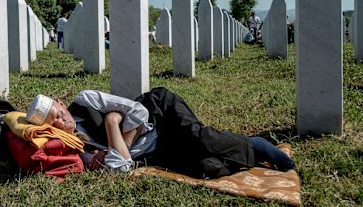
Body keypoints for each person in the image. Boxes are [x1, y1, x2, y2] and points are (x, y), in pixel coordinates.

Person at [26, 87, 294, 178]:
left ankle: (254, 144)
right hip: (155, 149)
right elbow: (121, 168)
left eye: (60, 113)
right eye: (55, 123)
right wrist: (111, 124)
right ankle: (237, 153)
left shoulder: (86, 100)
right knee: (208, 168)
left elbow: (140, 113)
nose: (63, 122)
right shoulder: (75, 147)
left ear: (61, 103)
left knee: (201, 137)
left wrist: (116, 149)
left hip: (161, 113)